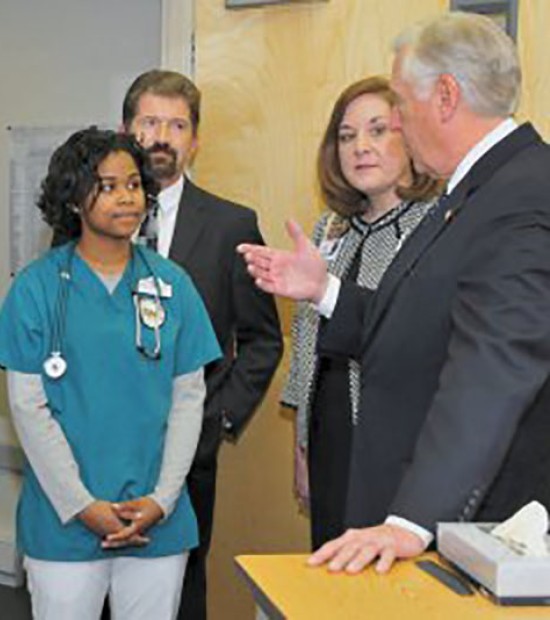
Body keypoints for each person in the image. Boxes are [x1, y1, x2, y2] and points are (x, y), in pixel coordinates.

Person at [239, 12, 550, 575]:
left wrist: (412, 520)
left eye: (401, 107)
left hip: (472, 533)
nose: (399, 126)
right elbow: (419, 322)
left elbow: (493, 370)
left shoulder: (521, 199)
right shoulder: (475, 193)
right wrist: (325, 290)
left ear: (447, 97)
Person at [0, 127, 221, 620]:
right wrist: (83, 506)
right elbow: (28, 408)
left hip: (156, 522)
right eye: (106, 185)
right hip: (65, 523)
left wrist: (162, 499)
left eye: (133, 184)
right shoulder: (35, 290)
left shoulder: (171, 284)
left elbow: (189, 399)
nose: (126, 196)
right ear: (74, 199)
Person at [121, 70, 283, 619]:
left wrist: (220, 420)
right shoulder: (84, 222)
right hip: (96, 452)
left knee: (181, 588)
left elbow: (263, 340)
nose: (162, 136)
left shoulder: (231, 225)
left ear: (196, 140)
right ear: (127, 131)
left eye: (177, 124)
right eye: (149, 122)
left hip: (189, 454)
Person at [280, 76, 439, 550]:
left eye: (377, 130)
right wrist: (303, 442)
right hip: (329, 426)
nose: (360, 148)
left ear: (411, 136)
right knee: (333, 564)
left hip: (401, 442)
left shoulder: (435, 226)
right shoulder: (330, 226)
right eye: (347, 136)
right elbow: (308, 335)